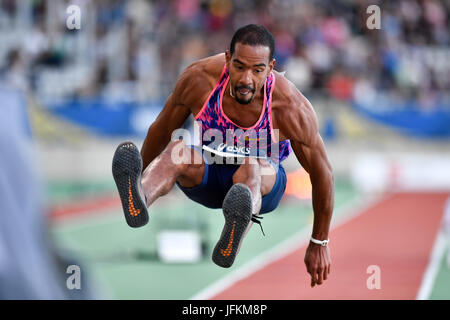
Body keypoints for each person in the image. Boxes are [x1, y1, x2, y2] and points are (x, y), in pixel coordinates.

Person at [112, 24, 334, 287]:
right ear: (228, 59)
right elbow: (160, 130)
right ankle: (140, 196)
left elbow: (323, 174)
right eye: (239, 67)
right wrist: (141, 171)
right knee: (176, 149)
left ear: (271, 68)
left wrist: (319, 241)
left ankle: (233, 236)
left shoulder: (289, 107)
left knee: (251, 166)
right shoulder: (200, 79)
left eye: (257, 70)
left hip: (262, 182)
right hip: (211, 171)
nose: (246, 80)